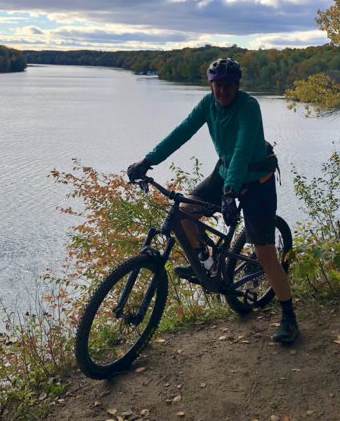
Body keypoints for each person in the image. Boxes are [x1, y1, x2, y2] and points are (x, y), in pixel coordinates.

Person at [127, 58, 299, 344]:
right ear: (211, 85)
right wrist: (148, 160)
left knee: (266, 253)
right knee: (183, 213)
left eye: (228, 86)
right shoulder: (207, 104)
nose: (222, 91)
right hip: (225, 172)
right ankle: (208, 263)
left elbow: (243, 148)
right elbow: (181, 132)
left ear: (237, 86)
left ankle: (289, 317)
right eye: (217, 85)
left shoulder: (249, 106)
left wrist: (230, 192)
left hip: (257, 180)